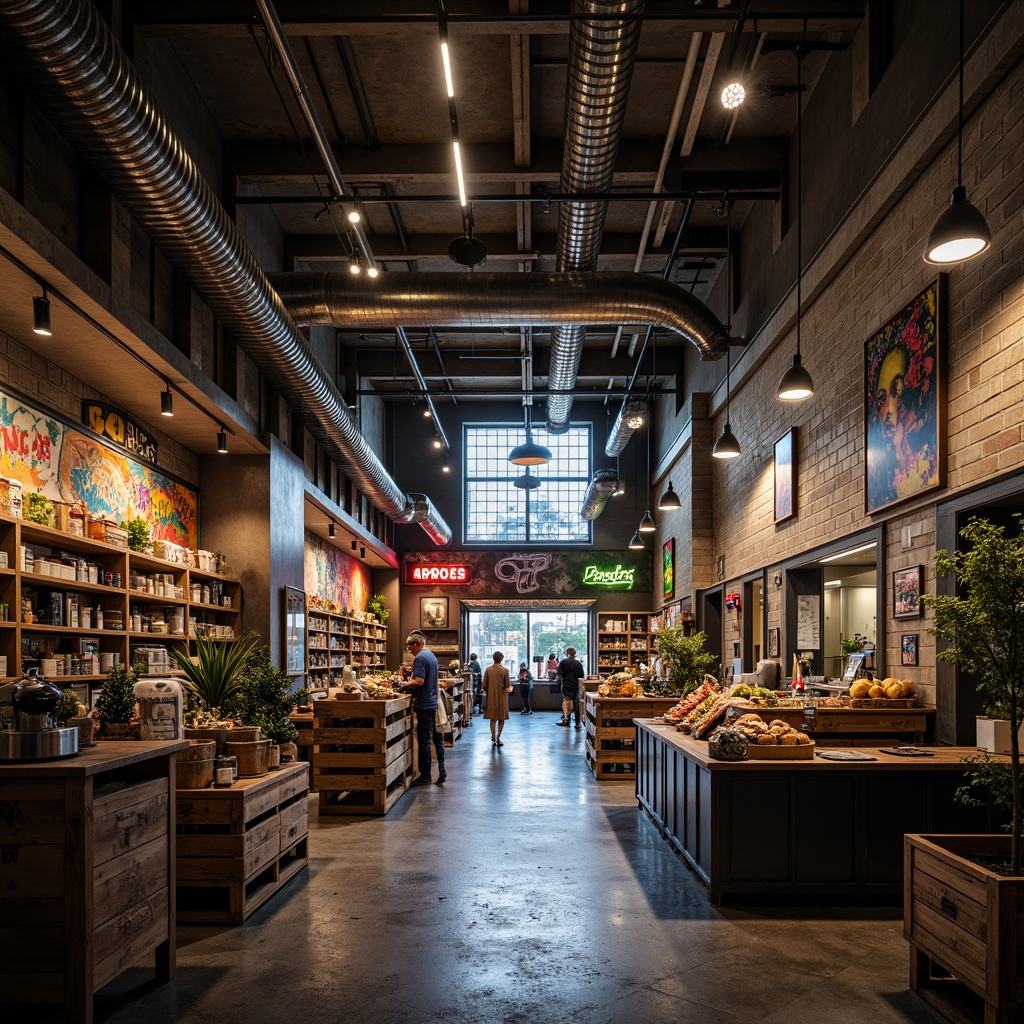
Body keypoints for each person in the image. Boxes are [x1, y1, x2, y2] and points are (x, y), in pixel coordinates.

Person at [402, 631, 445, 785]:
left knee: (425, 739)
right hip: (433, 702)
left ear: (417, 644)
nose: (409, 650)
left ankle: (426, 775)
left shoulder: (420, 657)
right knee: (437, 738)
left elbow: (419, 681)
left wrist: (406, 683)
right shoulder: (431, 655)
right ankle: (442, 770)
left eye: (410, 646)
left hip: (424, 703)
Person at [481, 650, 511, 746]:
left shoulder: (488, 670)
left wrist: (489, 692)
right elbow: (507, 685)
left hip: (491, 697)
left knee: (492, 718)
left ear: (493, 658)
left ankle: (493, 736)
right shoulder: (505, 671)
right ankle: (498, 737)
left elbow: (484, 685)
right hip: (502, 698)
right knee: (501, 718)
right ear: (501, 659)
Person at [556, 647, 585, 730]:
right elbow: (581, 676)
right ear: (575, 653)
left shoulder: (563, 662)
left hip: (566, 687)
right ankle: (577, 723)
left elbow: (559, 675)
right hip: (575, 687)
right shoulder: (578, 663)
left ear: (567, 653)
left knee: (566, 704)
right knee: (577, 706)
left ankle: (566, 720)